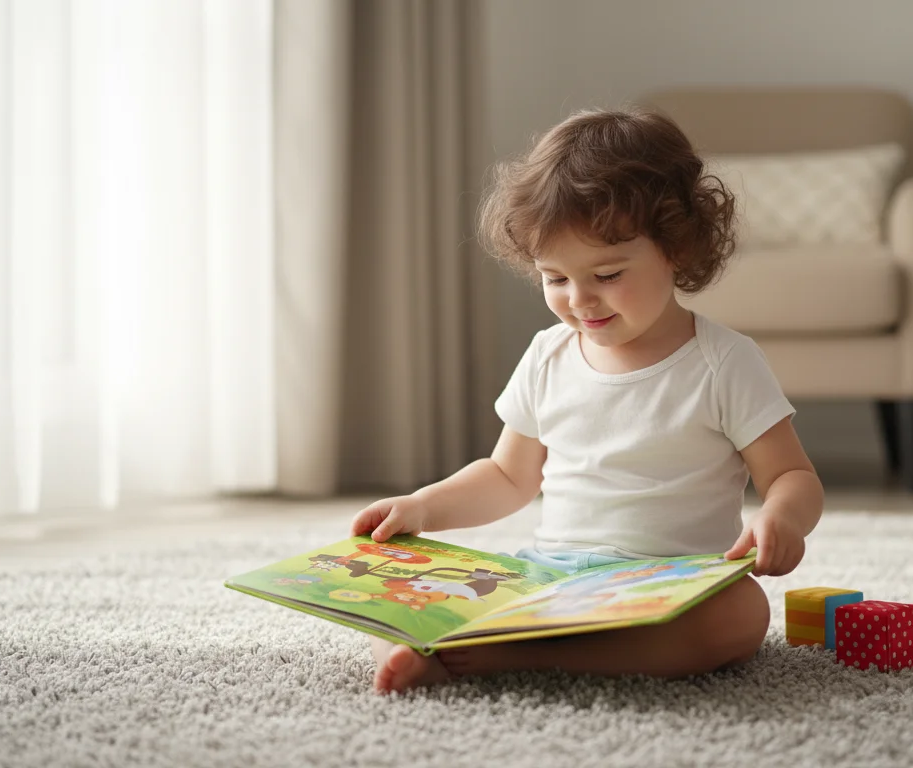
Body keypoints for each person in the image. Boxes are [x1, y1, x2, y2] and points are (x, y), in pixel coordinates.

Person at [351, 106, 824, 693]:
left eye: (606, 275)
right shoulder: (549, 356)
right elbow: (506, 476)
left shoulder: (723, 361)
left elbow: (793, 475)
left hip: (665, 586)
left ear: (675, 248)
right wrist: (421, 509)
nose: (580, 300)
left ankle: (521, 655)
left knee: (742, 615)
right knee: (383, 582)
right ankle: (426, 644)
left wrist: (782, 517)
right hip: (551, 579)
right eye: (556, 278)